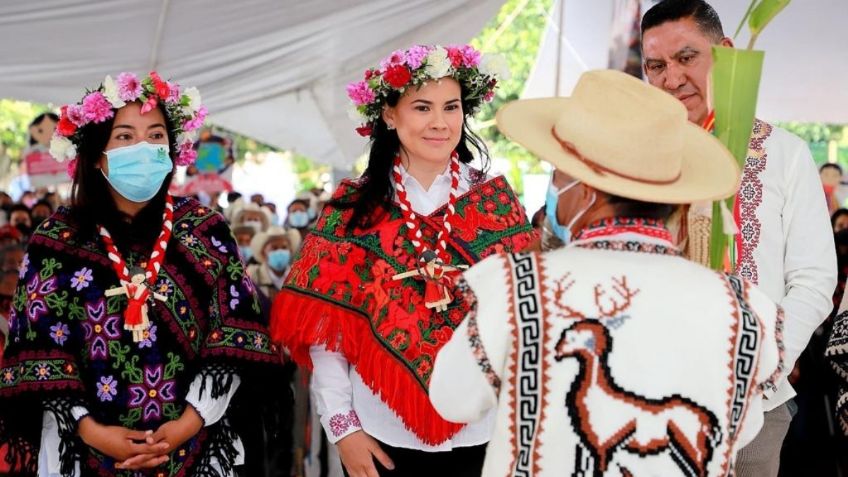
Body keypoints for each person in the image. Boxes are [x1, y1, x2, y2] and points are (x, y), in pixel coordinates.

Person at [430, 68, 785, 476]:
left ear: (585, 192)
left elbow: (453, 398)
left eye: (557, 174)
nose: (553, 187)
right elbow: (742, 429)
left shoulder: (518, 287)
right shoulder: (742, 305)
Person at [270, 44, 533, 477]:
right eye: (422, 107)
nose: (439, 122)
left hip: (487, 432)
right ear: (389, 115)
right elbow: (327, 333)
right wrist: (343, 429)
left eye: (451, 107)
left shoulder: (496, 203)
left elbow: (524, 324)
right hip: (381, 434)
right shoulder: (353, 210)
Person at [0, 71, 278, 477]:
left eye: (156, 135)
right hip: (78, 451)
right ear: (97, 154)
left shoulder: (206, 228)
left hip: (198, 449)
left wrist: (186, 425)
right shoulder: (56, 238)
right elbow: (37, 348)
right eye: (125, 137)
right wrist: (92, 431)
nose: (143, 148)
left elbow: (236, 335)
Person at [641, 1, 836, 474]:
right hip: (646, 402)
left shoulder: (784, 153)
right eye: (656, 66)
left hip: (756, 406)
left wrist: (763, 361)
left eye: (687, 58)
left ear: (726, 52)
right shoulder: (633, 157)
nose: (671, 78)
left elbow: (814, 278)